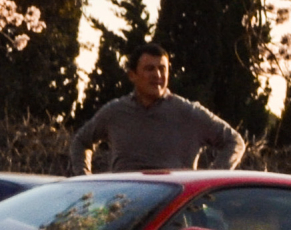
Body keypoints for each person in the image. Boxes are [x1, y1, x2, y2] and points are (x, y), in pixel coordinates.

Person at [66, 42, 246, 173]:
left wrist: (208, 180)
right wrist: (85, 180)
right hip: (124, 207)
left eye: (162, 68)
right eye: (149, 69)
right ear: (132, 75)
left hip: (174, 212)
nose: (157, 75)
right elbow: (81, 142)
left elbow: (235, 142)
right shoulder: (115, 112)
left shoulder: (188, 113)